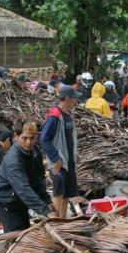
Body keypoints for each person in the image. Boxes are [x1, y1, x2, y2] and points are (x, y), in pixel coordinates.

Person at [0, 123, 54, 231]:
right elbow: (23, 188)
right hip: (7, 199)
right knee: (15, 233)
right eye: (24, 138)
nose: (28, 142)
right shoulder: (13, 160)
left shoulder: (34, 151)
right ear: (17, 136)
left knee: (24, 230)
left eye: (32, 138)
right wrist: (45, 210)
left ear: (36, 136)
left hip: (19, 199)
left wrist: (47, 201)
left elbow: (38, 179)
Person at [41, 85, 80, 219]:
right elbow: (44, 140)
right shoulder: (54, 116)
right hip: (59, 163)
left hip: (69, 162)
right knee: (58, 193)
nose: (76, 101)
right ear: (67, 98)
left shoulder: (68, 115)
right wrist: (55, 159)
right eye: (74, 98)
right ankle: (55, 223)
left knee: (66, 194)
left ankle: (62, 222)